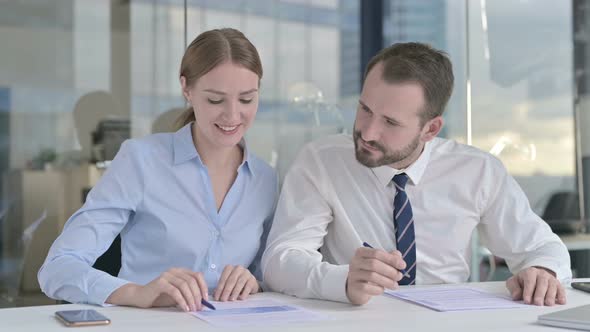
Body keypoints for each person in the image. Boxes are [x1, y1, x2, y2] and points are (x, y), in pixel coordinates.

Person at [261, 42, 571, 307]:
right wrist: (340, 280)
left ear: (431, 129)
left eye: (390, 123)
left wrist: (542, 271)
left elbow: (543, 248)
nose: (367, 132)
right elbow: (280, 260)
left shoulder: (478, 171)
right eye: (365, 109)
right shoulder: (322, 161)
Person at [38, 28, 278, 312]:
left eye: (247, 99)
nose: (233, 115)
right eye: (216, 99)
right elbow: (57, 268)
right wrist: (137, 293)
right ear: (186, 89)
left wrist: (255, 282)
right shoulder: (140, 160)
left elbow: (273, 272)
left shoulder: (266, 179)